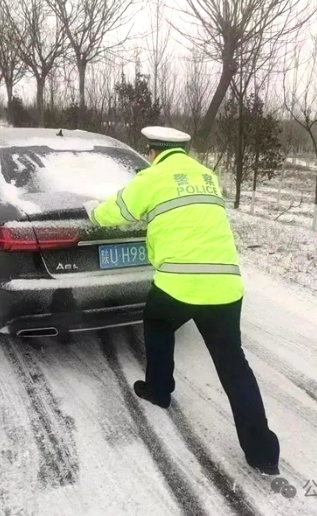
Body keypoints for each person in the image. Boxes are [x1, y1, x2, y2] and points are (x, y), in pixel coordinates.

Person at [82, 126, 281, 476]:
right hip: (224, 286)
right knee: (234, 366)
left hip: (178, 282)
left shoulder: (152, 176)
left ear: (153, 150)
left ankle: (158, 390)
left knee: (158, 323)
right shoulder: (208, 177)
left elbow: (120, 211)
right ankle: (262, 452)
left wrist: (93, 214)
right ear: (185, 151)